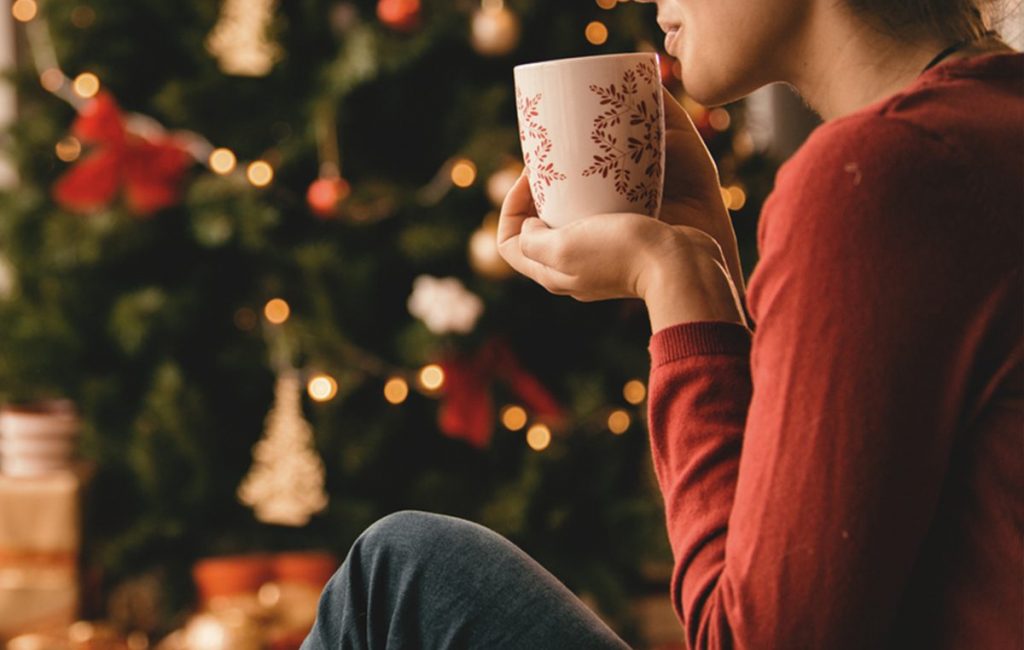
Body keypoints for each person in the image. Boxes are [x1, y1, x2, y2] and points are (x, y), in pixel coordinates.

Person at [301, 0, 1023, 647]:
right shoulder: (987, 129)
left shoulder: (884, 175)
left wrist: (676, 283)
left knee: (395, 577)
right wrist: (711, 270)